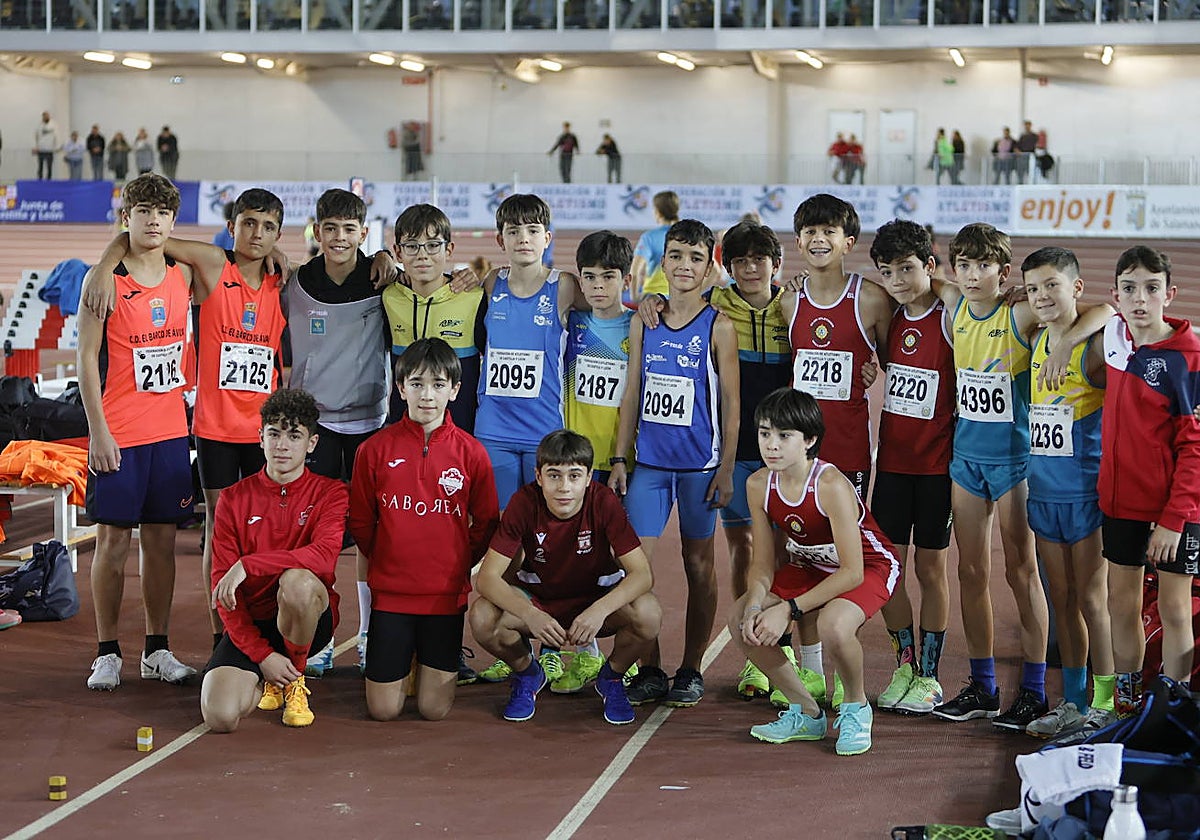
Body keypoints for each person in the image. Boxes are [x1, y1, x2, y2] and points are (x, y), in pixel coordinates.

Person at [82, 188, 289, 651]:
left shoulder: (276, 281)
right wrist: (103, 261)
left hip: (224, 433)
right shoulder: (211, 266)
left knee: (251, 531)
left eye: (268, 228)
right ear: (232, 225)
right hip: (202, 429)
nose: (257, 235)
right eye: (248, 224)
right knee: (207, 528)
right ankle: (133, 648)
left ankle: (184, 644)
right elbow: (143, 240)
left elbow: (153, 240)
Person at [930, 223, 1111, 731]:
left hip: (1016, 464)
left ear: (1002, 272)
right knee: (968, 572)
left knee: (1021, 572)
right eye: (962, 265)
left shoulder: (1020, 312)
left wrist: (1063, 343)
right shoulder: (954, 303)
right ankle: (983, 686)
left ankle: (1034, 689)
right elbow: (911, 280)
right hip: (966, 461)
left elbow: (1099, 310)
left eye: (982, 266)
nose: (970, 275)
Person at [609, 219, 739, 708]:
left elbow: (731, 402)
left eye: (695, 259)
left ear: (710, 268)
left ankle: (691, 667)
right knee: (634, 567)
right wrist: (622, 457)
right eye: (677, 256)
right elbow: (632, 391)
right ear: (664, 261)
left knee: (698, 565)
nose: (685, 266)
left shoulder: (718, 326)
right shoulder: (647, 320)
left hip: (700, 470)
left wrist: (726, 467)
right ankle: (649, 667)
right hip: (650, 467)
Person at [77, 173, 197, 691]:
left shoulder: (183, 275)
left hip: (171, 433)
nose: (153, 219)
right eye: (143, 210)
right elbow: (84, 359)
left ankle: (157, 648)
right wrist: (97, 432)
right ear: (126, 217)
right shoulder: (104, 281)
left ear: (173, 220)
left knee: (163, 544)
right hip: (119, 431)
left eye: (162, 212)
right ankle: (106, 651)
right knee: (112, 543)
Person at [732, 387, 899, 755]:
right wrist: (756, 604)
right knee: (740, 619)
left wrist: (789, 610)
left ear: (809, 440)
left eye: (783, 436)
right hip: (812, 564)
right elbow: (761, 564)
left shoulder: (830, 485)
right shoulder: (758, 484)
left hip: (867, 565)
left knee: (834, 626)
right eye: (764, 434)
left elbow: (853, 572)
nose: (771, 445)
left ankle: (856, 708)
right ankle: (806, 712)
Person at [776, 193, 893, 705]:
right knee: (799, 553)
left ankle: (858, 668)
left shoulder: (869, 300)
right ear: (798, 240)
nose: (818, 240)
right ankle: (812, 671)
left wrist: (873, 369)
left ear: (848, 241)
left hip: (846, 458)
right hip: (797, 457)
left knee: (847, 558)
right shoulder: (789, 300)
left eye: (829, 231)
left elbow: (894, 359)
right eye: (808, 232)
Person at [349, 338, 500, 721]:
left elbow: (485, 522)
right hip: (392, 596)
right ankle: (402, 657)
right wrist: (387, 557)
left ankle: (420, 660)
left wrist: (458, 560)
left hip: (444, 597)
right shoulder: (374, 450)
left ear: (454, 389)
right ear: (400, 388)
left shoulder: (471, 453)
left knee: (434, 711)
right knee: (383, 711)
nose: (426, 395)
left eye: (437, 384)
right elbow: (362, 523)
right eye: (416, 384)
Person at [471, 429, 660, 724]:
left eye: (574, 476)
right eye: (554, 475)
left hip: (592, 604)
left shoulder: (603, 501)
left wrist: (600, 610)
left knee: (648, 612)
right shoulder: (523, 503)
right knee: (483, 616)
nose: (564, 487)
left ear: (588, 478)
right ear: (538, 476)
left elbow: (642, 575)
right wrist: (530, 615)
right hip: (541, 603)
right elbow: (487, 578)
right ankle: (528, 674)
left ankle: (610, 679)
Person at [287, 188, 395, 677]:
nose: (338, 237)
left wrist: (388, 257)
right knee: (319, 538)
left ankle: (370, 634)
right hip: (319, 426)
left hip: (371, 422)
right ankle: (324, 636)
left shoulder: (382, 279)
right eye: (329, 228)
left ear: (364, 234)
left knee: (371, 540)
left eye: (349, 229)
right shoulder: (296, 283)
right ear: (316, 231)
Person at [472, 193, 578, 685]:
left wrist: (651, 301)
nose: (523, 239)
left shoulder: (563, 287)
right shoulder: (490, 283)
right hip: (492, 432)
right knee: (501, 543)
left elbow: (611, 304)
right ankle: (514, 640)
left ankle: (558, 643)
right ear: (500, 240)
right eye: (513, 231)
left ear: (547, 238)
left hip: (543, 438)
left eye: (532, 230)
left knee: (547, 544)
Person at [200, 389, 348, 732]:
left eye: (294, 435)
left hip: (307, 615)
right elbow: (223, 591)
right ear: (260, 438)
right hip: (254, 622)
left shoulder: (331, 493)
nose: (282, 445)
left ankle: (294, 679)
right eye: (274, 434)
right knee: (220, 717)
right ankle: (271, 677)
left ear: (311, 444)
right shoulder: (234, 499)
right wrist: (262, 656)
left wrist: (250, 564)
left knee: (297, 581)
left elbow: (323, 558)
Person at [1019, 246, 1116, 738]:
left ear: (1075, 287)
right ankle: (1073, 702)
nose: (1041, 296)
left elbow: (1110, 310)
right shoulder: (1035, 337)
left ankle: (1106, 700)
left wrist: (1067, 343)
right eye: (1033, 288)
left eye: (1051, 285)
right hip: (1044, 496)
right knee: (1062, 600)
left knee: (1093, 601)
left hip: (1085, 497)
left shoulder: (1094, 344)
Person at [1100, 246, 1200, 716]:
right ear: (1115, 294)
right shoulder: (1113, 336)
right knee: (1122, 605)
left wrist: (1174, 520)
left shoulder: (1187, 356)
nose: (1141, 299)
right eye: (1130, 288)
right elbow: (1075, 312)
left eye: (1152, 288)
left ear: (1170, 294)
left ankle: (1171, 706)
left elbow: (1194, 447)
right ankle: (1127, 702)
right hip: (1121, 504)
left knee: (1176, 610)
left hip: (1174, 514)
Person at [868, 220, 955, 717]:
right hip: (894, 465)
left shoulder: (948, 313)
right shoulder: (890, 317)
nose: (898, 279)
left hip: (938, 467)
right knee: (890, 567)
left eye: (907, 268)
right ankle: (905, 662)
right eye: (888, 271)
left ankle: (930, 675)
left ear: (928, 264)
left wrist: (942, 281)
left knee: (931, 567)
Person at [383, 203, 485, 434]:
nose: (422, 255)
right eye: (411, 246)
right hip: (403, 424)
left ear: (448, 250)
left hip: (459, 426)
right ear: (398, 252)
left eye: (432, 246)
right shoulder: (388, 297)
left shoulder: (474, 298)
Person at [630, 190, 680, 303]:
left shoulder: (649, 238)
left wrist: (635, 297)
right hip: (680, 297)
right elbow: (715, 271)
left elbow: (635, 271)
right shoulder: (689, 235)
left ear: (658, 211)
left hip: (653, 297)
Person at [34, 111, 58, 180]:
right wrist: (36, 147)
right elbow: (36, 136)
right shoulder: (39, 126)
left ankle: (49, 180)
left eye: (47, 116)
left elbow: (56, 136)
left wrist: (56, 147)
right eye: (44, 116)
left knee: (49, 167)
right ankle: (40, 180)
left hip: (49, 150)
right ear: (43, 117)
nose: (46, 117)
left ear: (49, 116)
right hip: (41, 149)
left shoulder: (53, 125)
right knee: (40, 167)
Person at [1016, 120, 1038, 184]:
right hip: (1023, 156)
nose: (1027, 127)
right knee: (1021, 171)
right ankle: (1020, 183)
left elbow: (1037, 145)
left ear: (1030, 126)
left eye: (1028, 125)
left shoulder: (1034, 136)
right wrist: (1018, 151)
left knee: (1030, 171)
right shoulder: (1022, 136)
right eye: (1026, 126)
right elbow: (1018, 146)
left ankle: (1031, 184)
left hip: (1031, 156)